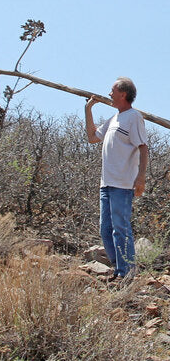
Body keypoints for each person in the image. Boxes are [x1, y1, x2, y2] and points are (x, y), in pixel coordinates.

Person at [85, 77, 148, 280]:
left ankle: (127, 273)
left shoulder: (133, 117)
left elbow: (143, 147)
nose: (109, 94)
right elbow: (92, 137)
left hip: (122, 184)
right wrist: (88, 110)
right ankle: (118, 268)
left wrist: (141, 177)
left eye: (112, 91)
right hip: (106, 183)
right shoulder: (113, 119)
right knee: (106, 230)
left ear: (123, 94)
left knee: (121, 228)